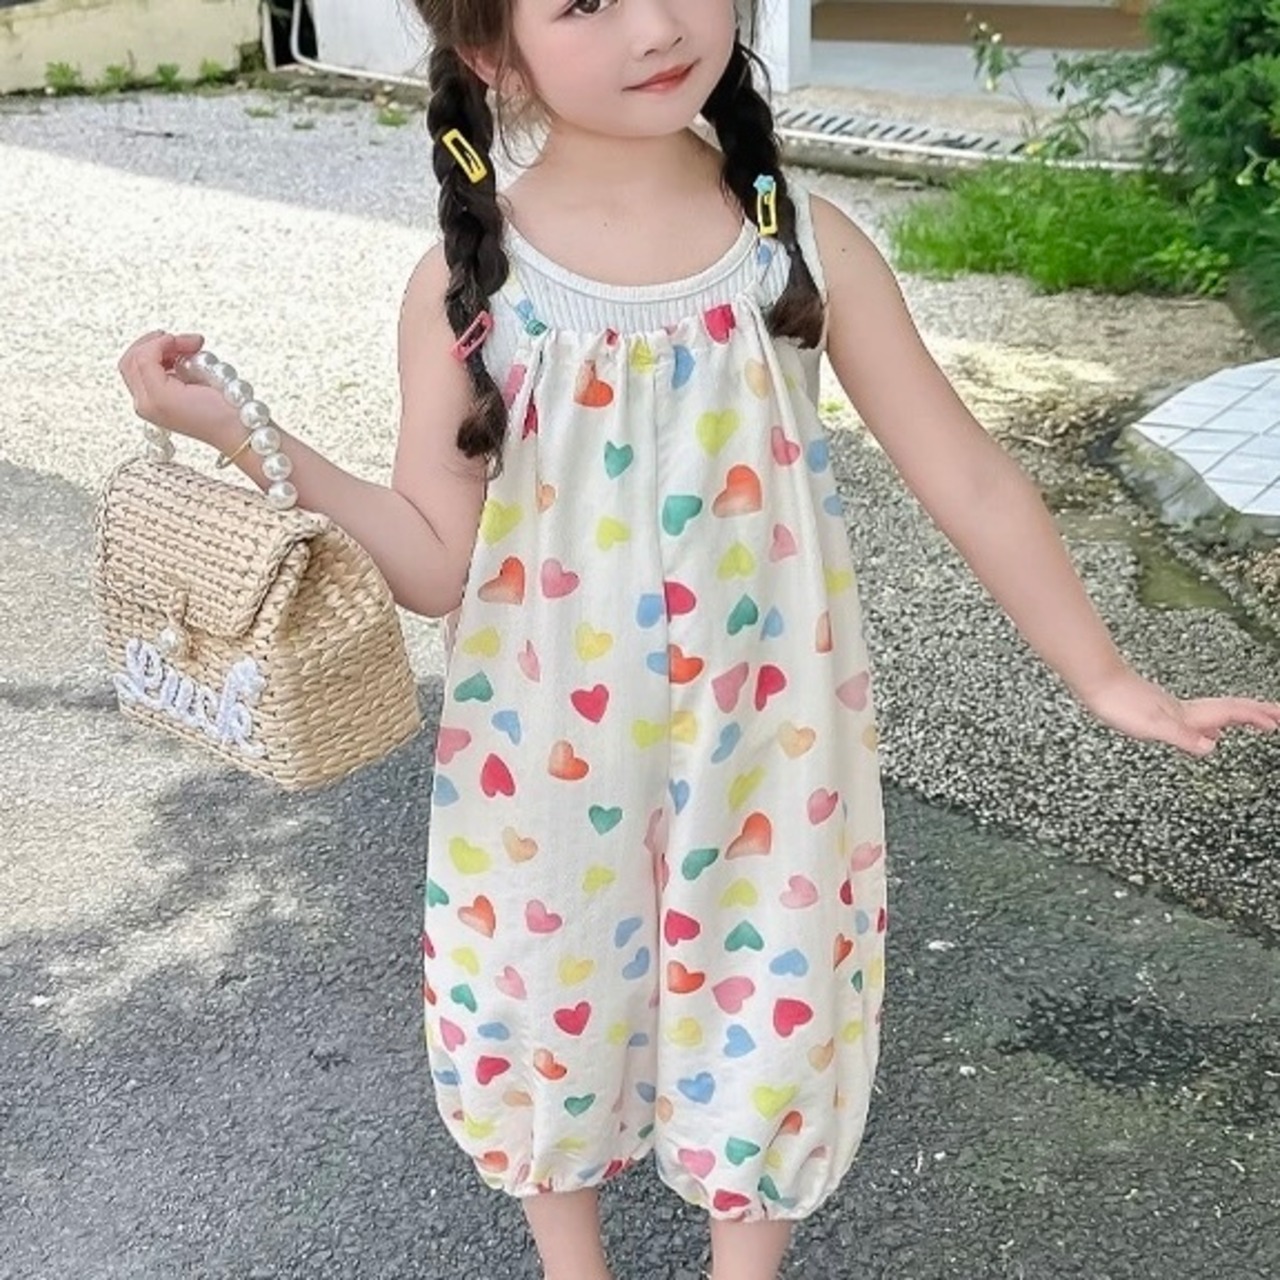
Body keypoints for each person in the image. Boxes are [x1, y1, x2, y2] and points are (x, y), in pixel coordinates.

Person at [117, 1, 1280, 1276]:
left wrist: (1106, 677)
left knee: (771, 1000)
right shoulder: (469, 285)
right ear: (491, 53)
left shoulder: (798, 246)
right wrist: (247, 437)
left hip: (774, 741)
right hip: (539, 747)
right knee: (539, 992)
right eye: (582, 2)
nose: (657, 24)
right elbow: (432, 561)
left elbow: (970, 477)